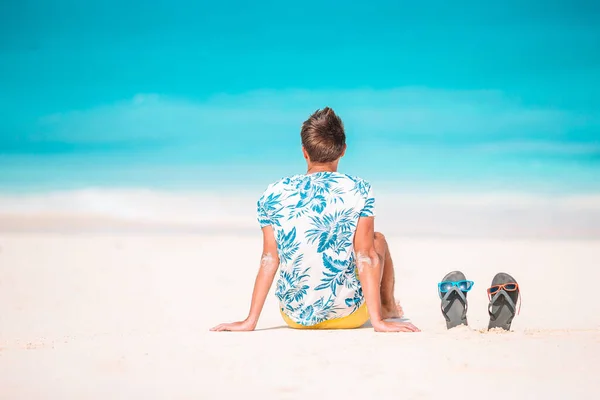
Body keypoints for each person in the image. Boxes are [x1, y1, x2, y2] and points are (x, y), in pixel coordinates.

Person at [210, 107, 420, 333]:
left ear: (304, 153)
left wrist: (249, 321)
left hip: (295, 317)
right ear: (343, 151)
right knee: (377, 240)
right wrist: (377, 323)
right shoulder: (359, 189)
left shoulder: (272, 193)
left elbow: (270, 258)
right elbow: (365, 255)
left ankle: (260, 317)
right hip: (349, 316)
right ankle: (387, 308)